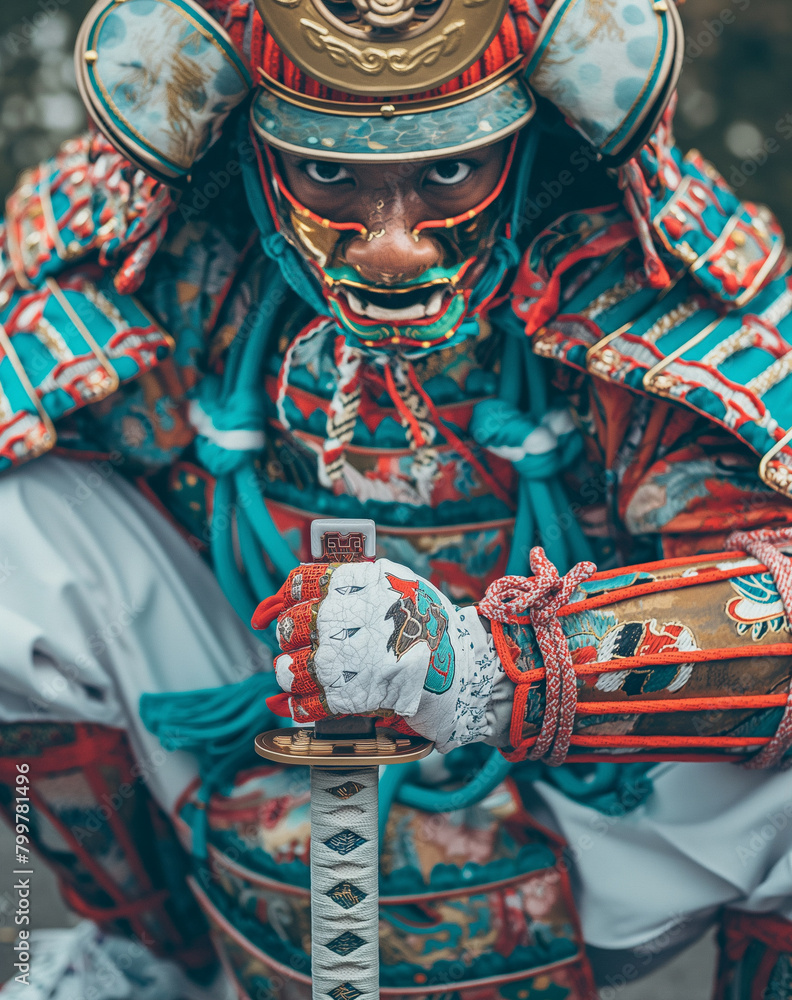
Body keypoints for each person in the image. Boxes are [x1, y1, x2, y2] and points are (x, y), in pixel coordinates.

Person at [1, 0, 792, 997]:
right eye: (329, 173)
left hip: (573, 787)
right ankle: (147, 954)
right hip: (257, 717)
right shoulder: (191, 266)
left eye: (448, 170)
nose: (392, 247)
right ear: (258, 154)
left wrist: (487, 667)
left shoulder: (627, 283)